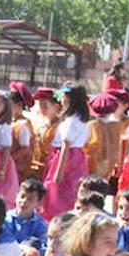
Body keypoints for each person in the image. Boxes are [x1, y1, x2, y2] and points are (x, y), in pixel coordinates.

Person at [41, 85, 94, 220]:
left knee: (57, 191)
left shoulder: (70, 122)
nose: (62, 100)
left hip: (65, 158)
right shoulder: (82, 120)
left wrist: (59, 171)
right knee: (71, 190)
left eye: (64, 97)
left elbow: (66, 146)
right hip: (77, 157)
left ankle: (56, 217)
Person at [26, 87, 61, 180]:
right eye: (40, 105)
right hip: (37, 167)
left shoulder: (60, 127)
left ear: (56, 106)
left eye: (45, 105)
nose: (42, 109)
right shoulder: (40, 123)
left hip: (51, 167)